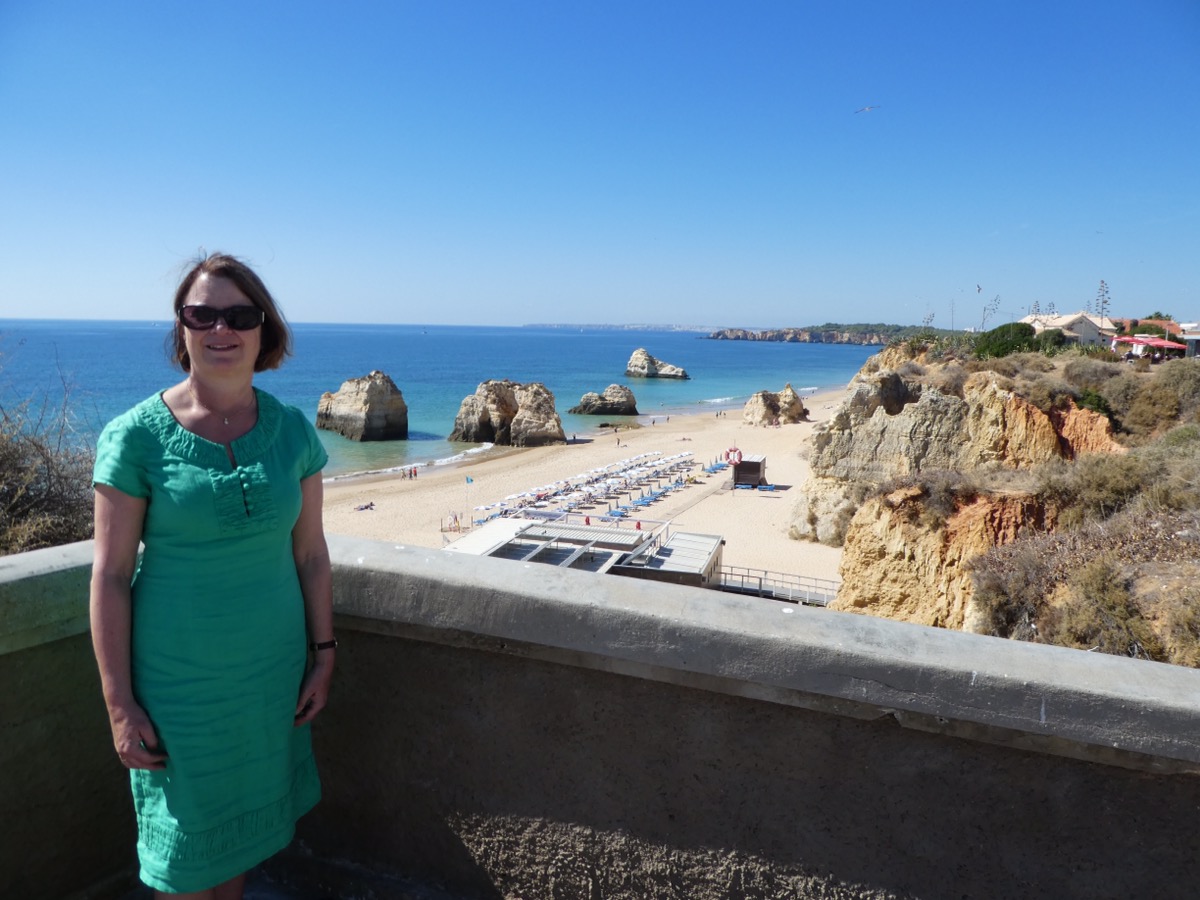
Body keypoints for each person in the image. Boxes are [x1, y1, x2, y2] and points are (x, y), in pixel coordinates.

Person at [89, 253, 335, 899]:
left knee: (237, 852)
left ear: (264, 330)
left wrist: (325, 654)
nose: (219, 329)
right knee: (183, 862)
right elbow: (110, 577)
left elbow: (310, 554)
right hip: (179, 689)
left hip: (267, 679)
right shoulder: (133, 438)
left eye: (239, 314)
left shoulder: (292, 433)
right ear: (182, 327)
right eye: (202, 313)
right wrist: (119, 703)